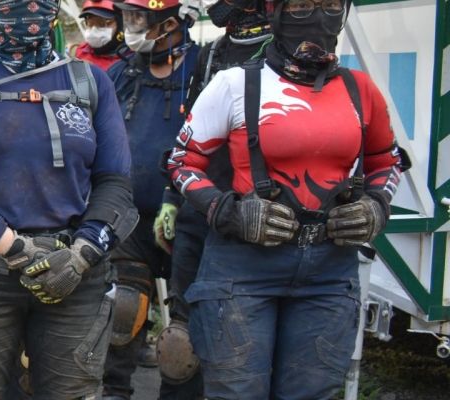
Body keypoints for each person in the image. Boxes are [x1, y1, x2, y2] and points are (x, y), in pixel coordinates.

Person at [164, 0, 404, 397]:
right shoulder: (233, 83)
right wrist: (229, 212)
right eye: (302, 6)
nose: (318, 17)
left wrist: (376, 205)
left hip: (330, 271)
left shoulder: (359, 90)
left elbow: (387, 159)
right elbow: (180, 162)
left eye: (330, 5)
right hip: (241, 269)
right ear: (275, 12)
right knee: (237, 393)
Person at [0, 0, 138, 396]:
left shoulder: (89, 81)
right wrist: (12, 246)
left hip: (74, 275)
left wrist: (82, 255)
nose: (28, 7)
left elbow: (116, 182)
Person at [150, 0, 273, 395]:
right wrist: (172, 197)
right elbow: (191, 131)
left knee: (240, 347)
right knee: (180, 347)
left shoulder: (287, 54)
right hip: (198, 215)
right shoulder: (212, 53)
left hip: (253, 226)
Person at [100, 0, 197, 398]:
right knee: (123, 312)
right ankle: (113, 391)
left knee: (183, 342)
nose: (130, 27)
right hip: (129, 220)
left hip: (188, 220)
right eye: (128, 17)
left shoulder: (204, 71)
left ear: (170, 22)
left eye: (139, 19)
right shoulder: (123, 72)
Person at [73, 0, 129, 71]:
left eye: (102, 23)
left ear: (121, 24)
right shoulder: (81, 52)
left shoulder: (130, 59)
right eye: (90, 23)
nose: (94, 30)